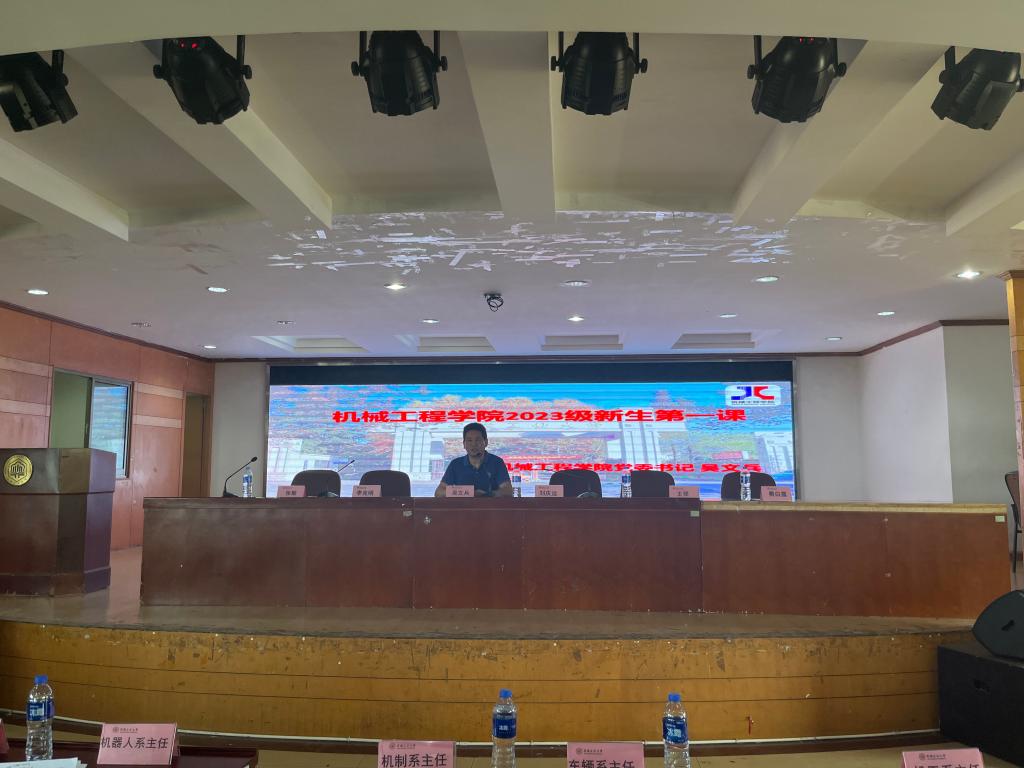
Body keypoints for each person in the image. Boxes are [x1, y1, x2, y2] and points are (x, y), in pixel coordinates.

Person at [434, 422, 513, 497]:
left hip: (490, 506)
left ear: (486, 442)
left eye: (478, 440)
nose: (473, 444)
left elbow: (508, 491)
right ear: (464, 444)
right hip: (463, 506)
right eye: (469, 440)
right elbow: (439, 492)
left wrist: (486, 495)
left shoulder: (497, 462)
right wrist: (469, 493)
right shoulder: (455, 464)